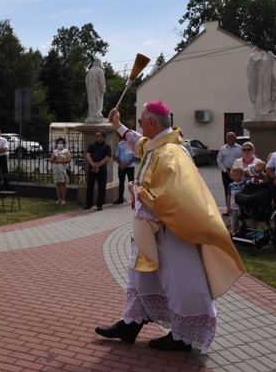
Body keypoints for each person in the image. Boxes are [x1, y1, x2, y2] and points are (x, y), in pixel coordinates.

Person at [95, 103, 244, 353]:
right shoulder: (158, 145)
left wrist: (135, 191)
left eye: (142, 121)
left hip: (172, 231)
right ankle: (130, 325)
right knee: (140, 276)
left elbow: (166, 195)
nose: (140, 126)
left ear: (152, 124)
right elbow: (140, 143)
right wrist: (118, 126)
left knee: (179, 281)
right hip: (154, 231)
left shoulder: (170, 154)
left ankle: (184, 337)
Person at [83, 129, 111, 211]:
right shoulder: (92, 145)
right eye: (95, 135)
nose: (96, 137)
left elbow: (107, 158)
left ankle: (100, 204)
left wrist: (98, 165)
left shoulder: (107, 146)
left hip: (102, 170)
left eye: (98, 135)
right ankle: (88, 204)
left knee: (102, 187)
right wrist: (92, 163)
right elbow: (88, 155)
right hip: (92, 168)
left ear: (103, 137)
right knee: (90, 186)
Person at [247, 49, 276, 118]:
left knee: (265, 93)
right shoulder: (260, 65)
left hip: (265, 83)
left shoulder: (259, 64)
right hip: (263, 83)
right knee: (263, 93)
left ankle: (265, 107)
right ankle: (263, 107)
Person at [217, 132, 242, 211]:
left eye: (232, 136)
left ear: (235, 138)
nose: (230, 138)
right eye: (228, 136)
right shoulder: (223, 149)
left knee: (238, 189)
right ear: (226, 138)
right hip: (226, 172)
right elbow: (219, 160)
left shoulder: (240, 148)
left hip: (238, 172)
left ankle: (239, 208)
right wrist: (225, 170)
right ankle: (228, 208)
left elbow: (242, 160)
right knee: (227, 190)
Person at [113, 135, 137, 205]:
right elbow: (116, 156)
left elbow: (135, 157)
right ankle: (120, 199)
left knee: (132, 183)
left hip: (130, 167)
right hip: (121, 167)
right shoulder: (120, 144)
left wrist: (128, 162)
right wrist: (120, 164)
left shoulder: (132, 145)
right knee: (121, 182)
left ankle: (134, 198)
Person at [49, 136, 71, 204]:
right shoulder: (55, 151)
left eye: (61, 143)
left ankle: (63, 199)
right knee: (57, 184)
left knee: (62, 184)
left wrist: (60, 161)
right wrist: (54, 157)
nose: (60, 144)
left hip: (62, 169)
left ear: (63, 144)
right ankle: (59, 198)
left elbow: (69, 159)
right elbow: (51, 160)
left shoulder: (66, 151)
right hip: (56, 169)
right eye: (59, 143)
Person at [226, 167, 246, 233]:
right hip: (233, 208)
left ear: (241, 175)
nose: (234, 177)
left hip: (241, 208)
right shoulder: (231, 185)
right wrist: (228, 206)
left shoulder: (244, 184)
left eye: (235, 175)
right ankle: (234, 235)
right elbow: (229, 196)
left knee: (241, 224)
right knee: (234, 224)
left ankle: (241, 236)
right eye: (232, 175)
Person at [86, 58, 106, 122]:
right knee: (99, 101)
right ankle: (97, 114)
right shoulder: (100, 71)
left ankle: (92, 114)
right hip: (98, 89)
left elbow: (86, 81)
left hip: (91, 89)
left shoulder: (90, 71)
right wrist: (103, 89)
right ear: (99, 63)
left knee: (92, 101)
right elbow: (102, 81)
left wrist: (88, 89)